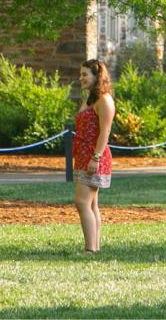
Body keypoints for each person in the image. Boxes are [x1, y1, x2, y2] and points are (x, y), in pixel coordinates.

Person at [72, 59, 116, 253]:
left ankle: (90, 249)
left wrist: (95, 157)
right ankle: (94, 247)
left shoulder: (104, 100)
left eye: (85, 74)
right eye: (80, 74)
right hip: (83, 155)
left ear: (96, 76)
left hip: (94, 156)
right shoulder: (89, 98)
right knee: (92, 203)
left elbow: (105, 132)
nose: (81, 78)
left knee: (82, 202)